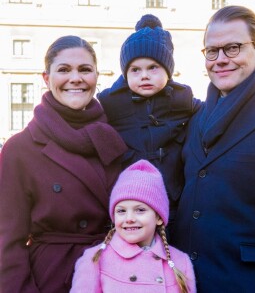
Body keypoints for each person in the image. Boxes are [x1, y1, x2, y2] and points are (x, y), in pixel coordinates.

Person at [171, 5, 255, 293]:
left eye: (232, 48)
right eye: (211, 51)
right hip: (182, 283)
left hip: (244, 283)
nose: (220, 60)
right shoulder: (197, 117)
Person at [0, 35, 127, 293]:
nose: (75, 78)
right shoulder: (20, 149)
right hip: (51, 279)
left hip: (113, 277)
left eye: (84, 69)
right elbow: (6, 243)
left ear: (96, 76)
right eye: (64, 70)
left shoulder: (113, 139)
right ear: (46, 79)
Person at [97, 14, 200, 229]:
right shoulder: (111, 103)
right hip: (128, 205)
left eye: (153, 68)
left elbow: (213, 114)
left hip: (171, 204)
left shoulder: (183, 100)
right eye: (135, 70)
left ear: (168, 71)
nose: (144, 76)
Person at [71, 159, 196, 293]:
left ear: (159, 217)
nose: (129, 218)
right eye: (121, 211)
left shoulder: (181, 262)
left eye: (140, 210)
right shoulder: (95, 259)